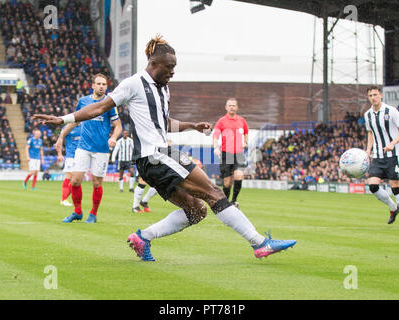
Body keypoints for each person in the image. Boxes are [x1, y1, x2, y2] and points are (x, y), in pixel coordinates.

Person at [33, 35, 296, 261]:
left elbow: (162, 122)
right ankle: (259, 243)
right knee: (213, 192)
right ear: (153, 63)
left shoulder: (164, 89)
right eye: (169, 67)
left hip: (154, 158)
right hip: (156, 154)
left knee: (196, 211)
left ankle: (142, 237)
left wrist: (191, 125)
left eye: (175, 67)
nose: (173, 71)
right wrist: (64, 119)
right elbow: (101, 107)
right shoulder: (133, 83)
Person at [54, 73, 122, 223]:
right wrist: (61, 136)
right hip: (83, 147)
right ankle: (77, 211)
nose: (101, 87)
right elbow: (74, 121)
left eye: (104, 84)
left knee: (97, 183)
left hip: (101, 149)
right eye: (98, 84)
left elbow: (118, 126)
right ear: (92, 85)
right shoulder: (83, 101)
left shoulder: (109, 103)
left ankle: (93, 213)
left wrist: (113, 137)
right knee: (75, 181)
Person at [365, 86, 399, 228]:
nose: (373, 97)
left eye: (375, 94)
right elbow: (370, 133)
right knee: (372, 186)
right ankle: (393, 207)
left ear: (381, 95)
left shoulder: (391, 111)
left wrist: (393, 143)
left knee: (395, 187)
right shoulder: (367, 115)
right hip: (377, 156)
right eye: (370, 95)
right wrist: (368, 150)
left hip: (392, 155)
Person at [213, 98, 249, 208]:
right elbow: (215, 136)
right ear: (226, 107)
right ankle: (225, 203)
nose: (232, 107)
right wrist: (216, 147)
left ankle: (233, 201)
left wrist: (245, 142)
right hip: (226, 154)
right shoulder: (221, 121)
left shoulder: (242, 121)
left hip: (238, 154)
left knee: (239, 176)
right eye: (230, 105)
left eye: (234, 105)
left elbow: (246, 132)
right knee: (227, 181)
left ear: (237, 107)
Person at [55, 122, 82, 206]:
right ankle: (63, 199)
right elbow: (59, 140)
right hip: (71, 156)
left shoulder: (83, 127)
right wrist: (59, 154)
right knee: (69, 176)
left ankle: (66, 198)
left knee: (76, 179)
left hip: (81, 156)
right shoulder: (68, 127)